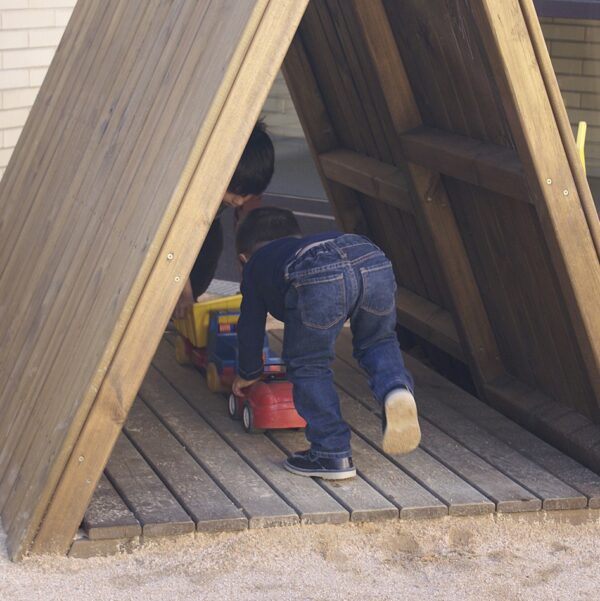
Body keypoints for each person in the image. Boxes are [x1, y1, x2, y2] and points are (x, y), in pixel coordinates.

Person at [232, 207, 421, 480]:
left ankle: (330, 453)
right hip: (370, 257)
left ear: (242, 259)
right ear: (296, 236)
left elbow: (249, 327)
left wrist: (248, 373)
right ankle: (395, 390)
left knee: (309, 363)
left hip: (321, 276)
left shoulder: (255, 266)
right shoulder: (304, 246)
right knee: (378, 340)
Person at [173, 120, 274, 318]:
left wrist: (249, 285)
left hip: (209, 222)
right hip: (176, 231)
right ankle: (176, 301)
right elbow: (175, 247)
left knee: (211, 246)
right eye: (233, 192)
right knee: (177, 274)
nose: (238, 201)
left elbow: (248, 238)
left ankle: (189, 300)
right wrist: (183, 291)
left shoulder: (246, 188)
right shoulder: (190, 191)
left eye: (247, 195)